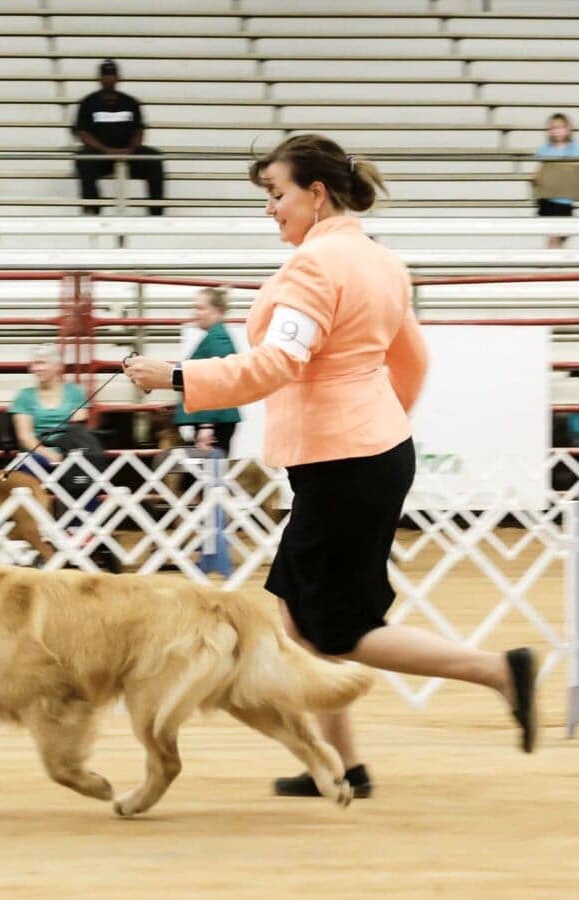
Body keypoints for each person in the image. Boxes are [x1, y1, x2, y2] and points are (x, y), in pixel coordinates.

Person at [125, 133, 537, 798]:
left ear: (316, 195)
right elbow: (413, 363)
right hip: (368, 453)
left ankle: (498, 670)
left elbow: (273, 365)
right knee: (296, 617)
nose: (270, 208)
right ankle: (342, 767)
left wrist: (174, 374)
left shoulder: (314, 270)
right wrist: (380, 419)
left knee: (338, 630)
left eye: (276, 194)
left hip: (344, 459)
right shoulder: (381, 261)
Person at [10, 345, 119, 572]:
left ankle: (82, 533)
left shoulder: (74, 393)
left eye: (41, 363)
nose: (35, 368)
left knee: (84, 470)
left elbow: (78, 425)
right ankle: (41, 537)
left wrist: (63, 452)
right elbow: (24, 435)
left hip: (71, 448)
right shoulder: (24, 396)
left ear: (56, 367)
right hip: (39, 450)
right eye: (34, 363)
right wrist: (48, 453)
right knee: (30, 465)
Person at [73, 59, 165, 216]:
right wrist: (106, 150)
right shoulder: (88, 103)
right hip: (100, 154)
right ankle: (93, 208)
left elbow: (139, 130)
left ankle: (156, 212)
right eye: (105, 75)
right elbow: (83, 133)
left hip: (128, 153)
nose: (108, 78)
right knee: (82, 159)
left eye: (111, 75)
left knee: (154, 159)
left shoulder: (130, 102)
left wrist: (131, 149)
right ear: (100, 78)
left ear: (118, 77)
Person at [173, 287, 241, 458]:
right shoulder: (216, 337)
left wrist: (206, 426)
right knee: (212, 477)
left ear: (218, 311)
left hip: (214, 423)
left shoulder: (216, 339)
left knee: (210, 478)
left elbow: (215, 383)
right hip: (217, 421)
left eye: (201, 308)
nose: (195, 313)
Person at [534, 113, 579, 249]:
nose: (557, 131)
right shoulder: (545, 149)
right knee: (554, 233)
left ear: (568, 129)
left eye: (560, 127)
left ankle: (551, 257)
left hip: (565, 199)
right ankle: (551, 260)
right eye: (553, 128)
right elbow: (539, 170)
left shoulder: (574, 148)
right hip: (548, 198)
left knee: (563, 232)